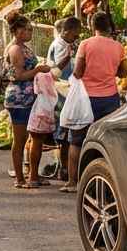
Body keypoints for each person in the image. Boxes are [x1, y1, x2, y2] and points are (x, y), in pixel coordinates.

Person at [64, 12, 127, 193]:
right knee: (106, 141)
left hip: (86, 99)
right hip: (110, 100)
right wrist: (108, 70)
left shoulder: (85, 44)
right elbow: (123, 73)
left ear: (93, 26)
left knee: (76, 140)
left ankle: (72, 182)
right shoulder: (118, 47)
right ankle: (108, 184)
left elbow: (77, 71)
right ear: (110, 27)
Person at [4, 14, 51, 189]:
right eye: (27, 29)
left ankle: (33, 175)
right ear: (17, 31)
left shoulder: (24, 47)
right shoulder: (15, 49)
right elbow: (19, 75)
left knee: (35, 136)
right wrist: (38, 69)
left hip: (31, 97)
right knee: (20, 139)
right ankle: (19, 178)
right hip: (19, 99)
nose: (30, 32)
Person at [47, 17, 81, 179]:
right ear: (67, 32)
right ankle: (65, 168)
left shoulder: (66, 44)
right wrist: (69, 56)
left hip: (68, 92)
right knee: (64, 135)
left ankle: (66, 167)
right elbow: (55, 71)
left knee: (67, 132)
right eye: (75, 35)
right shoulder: (60, 46)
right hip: (61, 94)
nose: (77, 37)